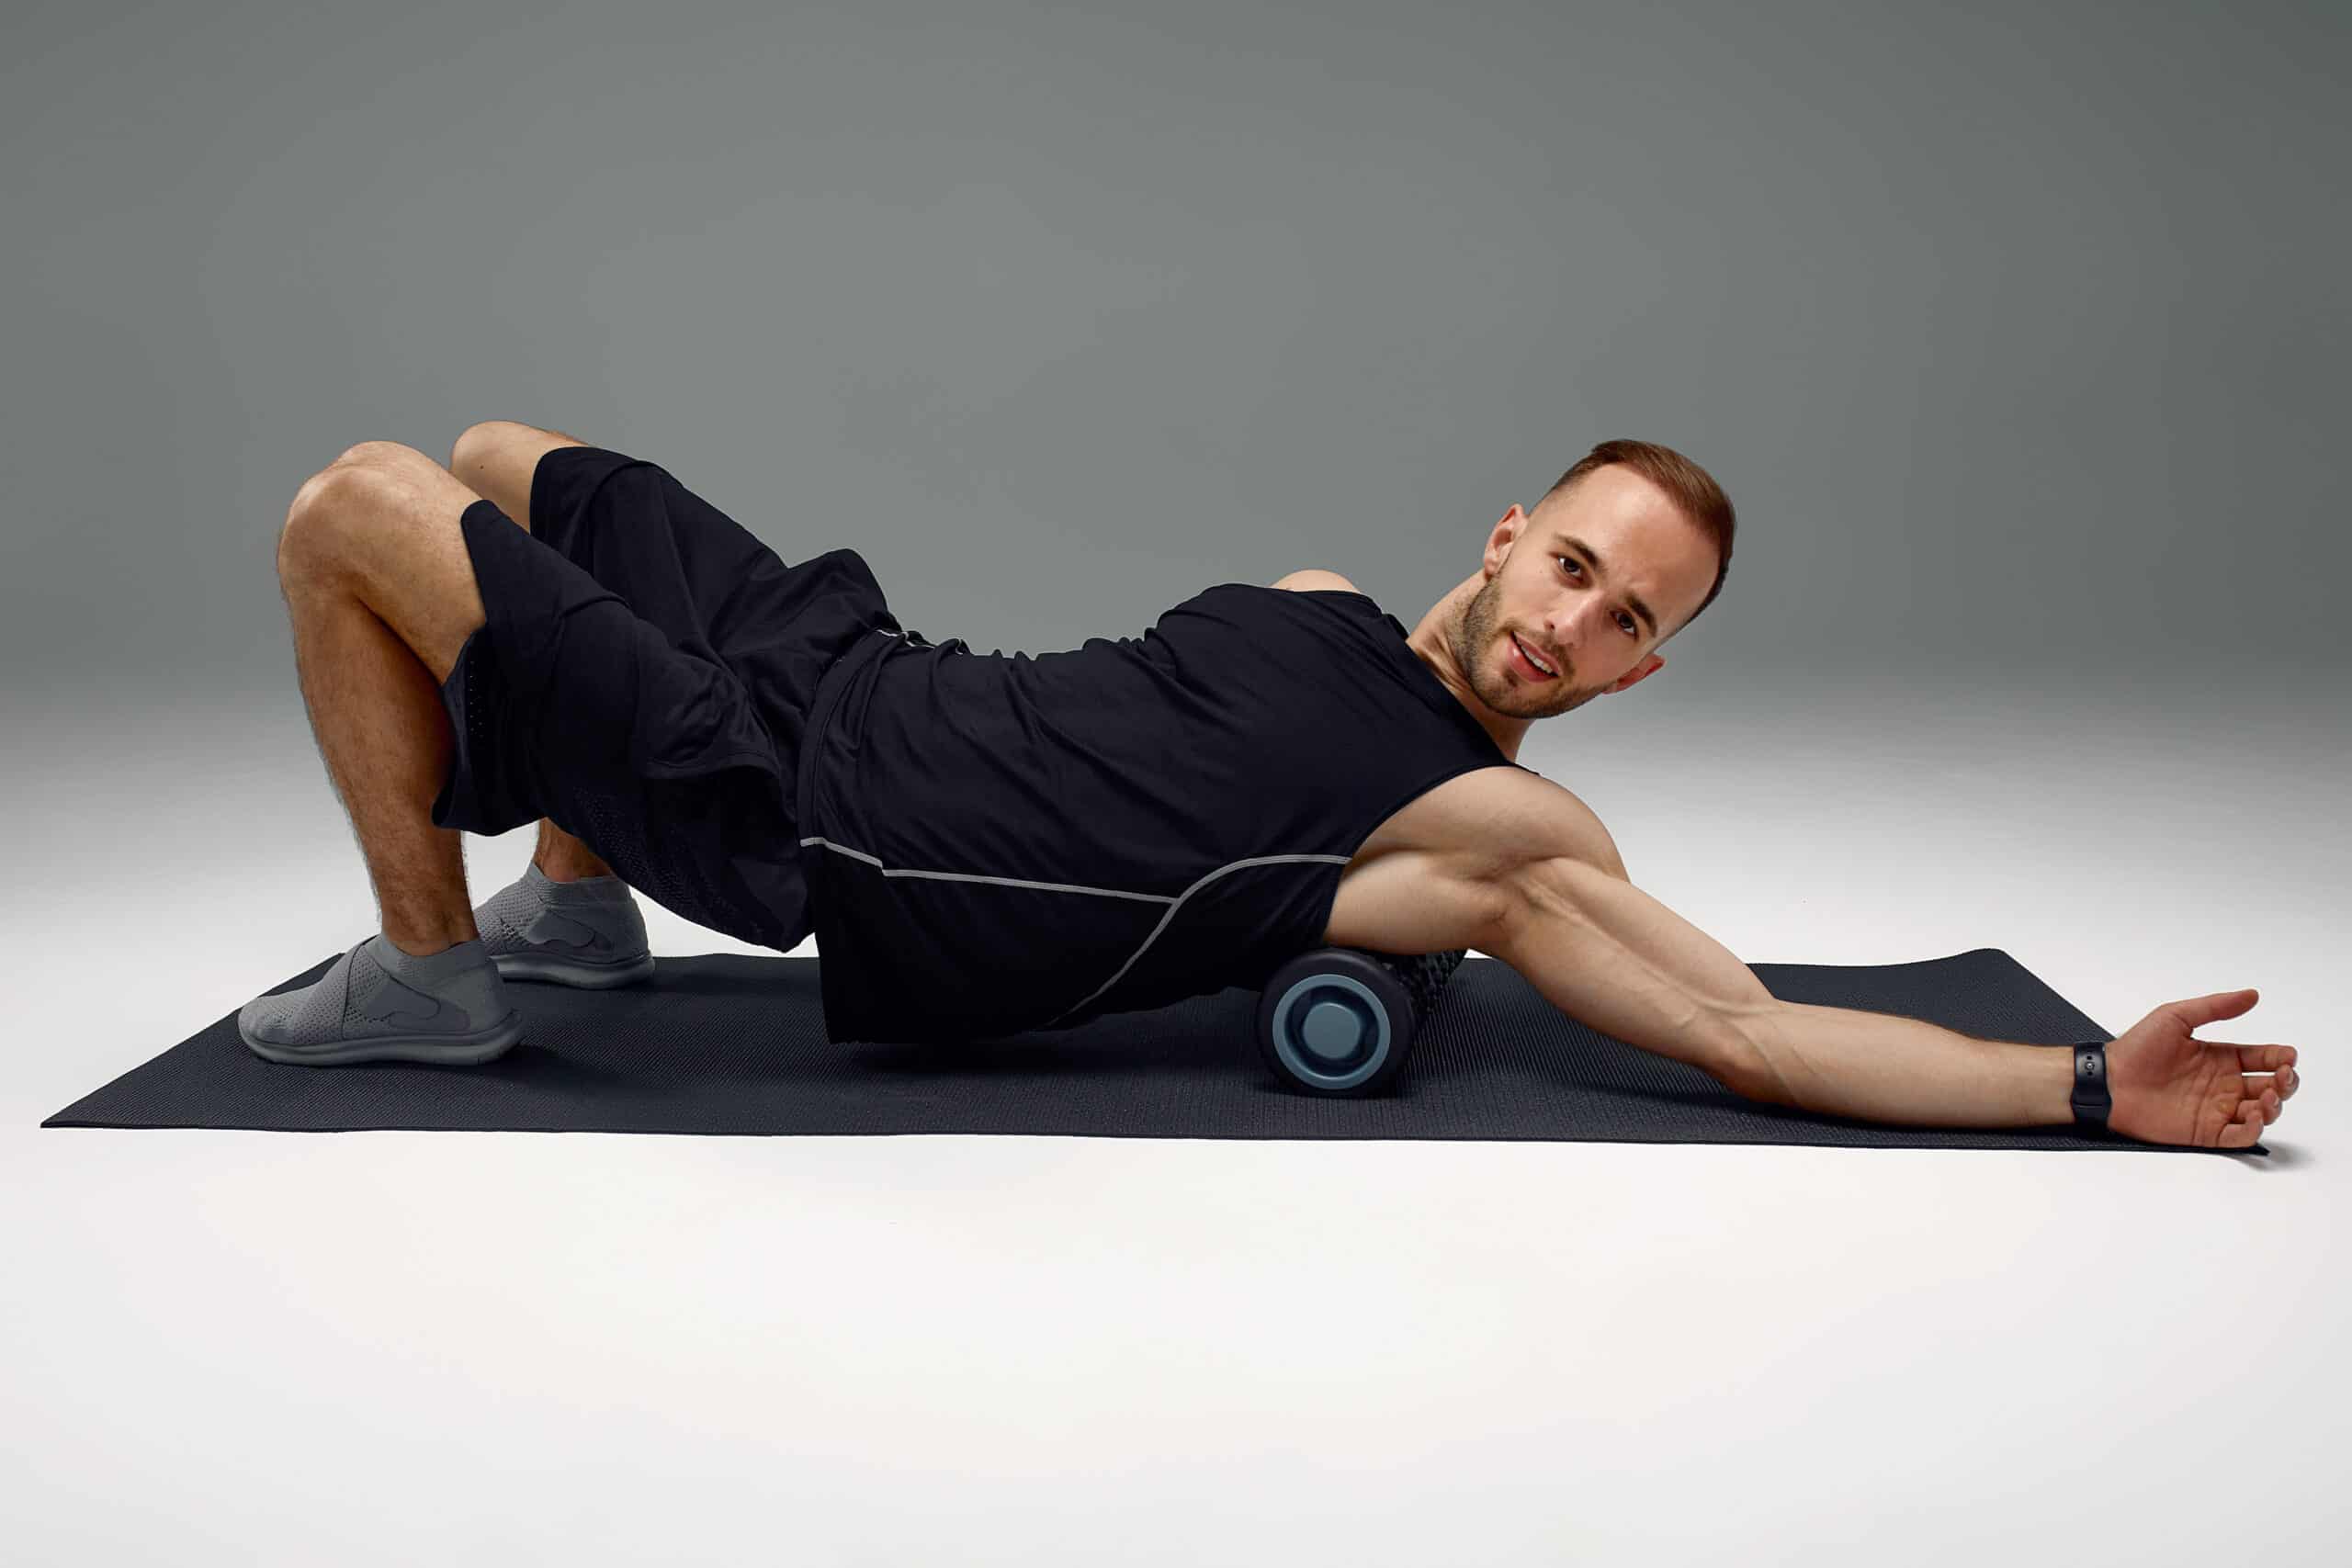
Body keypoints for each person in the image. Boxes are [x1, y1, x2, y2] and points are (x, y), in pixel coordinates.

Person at [237, 424, 2299, 1150]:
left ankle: (436, 966)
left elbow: (1741, 1024)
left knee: (359, 504)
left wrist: (2082, 1087)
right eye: (1568, 564)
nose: (1565, 626)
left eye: (1620, 621)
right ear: (1507, 530)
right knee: (514, 451)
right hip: (853, 667)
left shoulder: (1485, 834)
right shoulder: (1315, 596)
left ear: (1647, 666)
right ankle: (575, 900)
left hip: (816, 824)